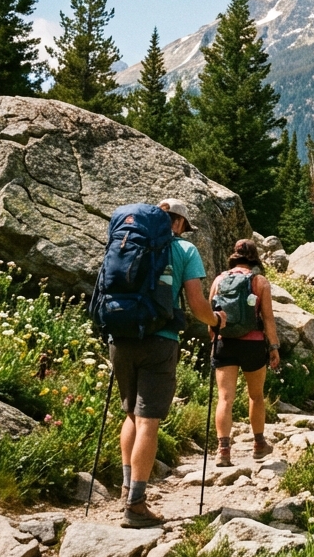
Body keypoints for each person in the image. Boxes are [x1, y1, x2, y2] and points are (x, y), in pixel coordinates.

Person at [114, 198, 227, 529]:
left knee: (130, 414)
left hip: (119, 336)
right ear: (178, 223)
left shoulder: (127, 240)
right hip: (160, 339)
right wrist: (216, 319)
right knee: (148, 418)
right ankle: (135, 505)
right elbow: (196, 305)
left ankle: (126, 487)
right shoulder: (185, 251)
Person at [207, 240, 280, 468]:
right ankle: (259, 445)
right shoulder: (259, 282)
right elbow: (267, 318)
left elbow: (211, 314)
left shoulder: (219, 280)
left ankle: (223, 450)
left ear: (234, 257)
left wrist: (214, 338)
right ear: (254, 258)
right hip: (253, 345)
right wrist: (274, 347)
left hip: (225, 343)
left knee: (225, 398)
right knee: (256, 396)